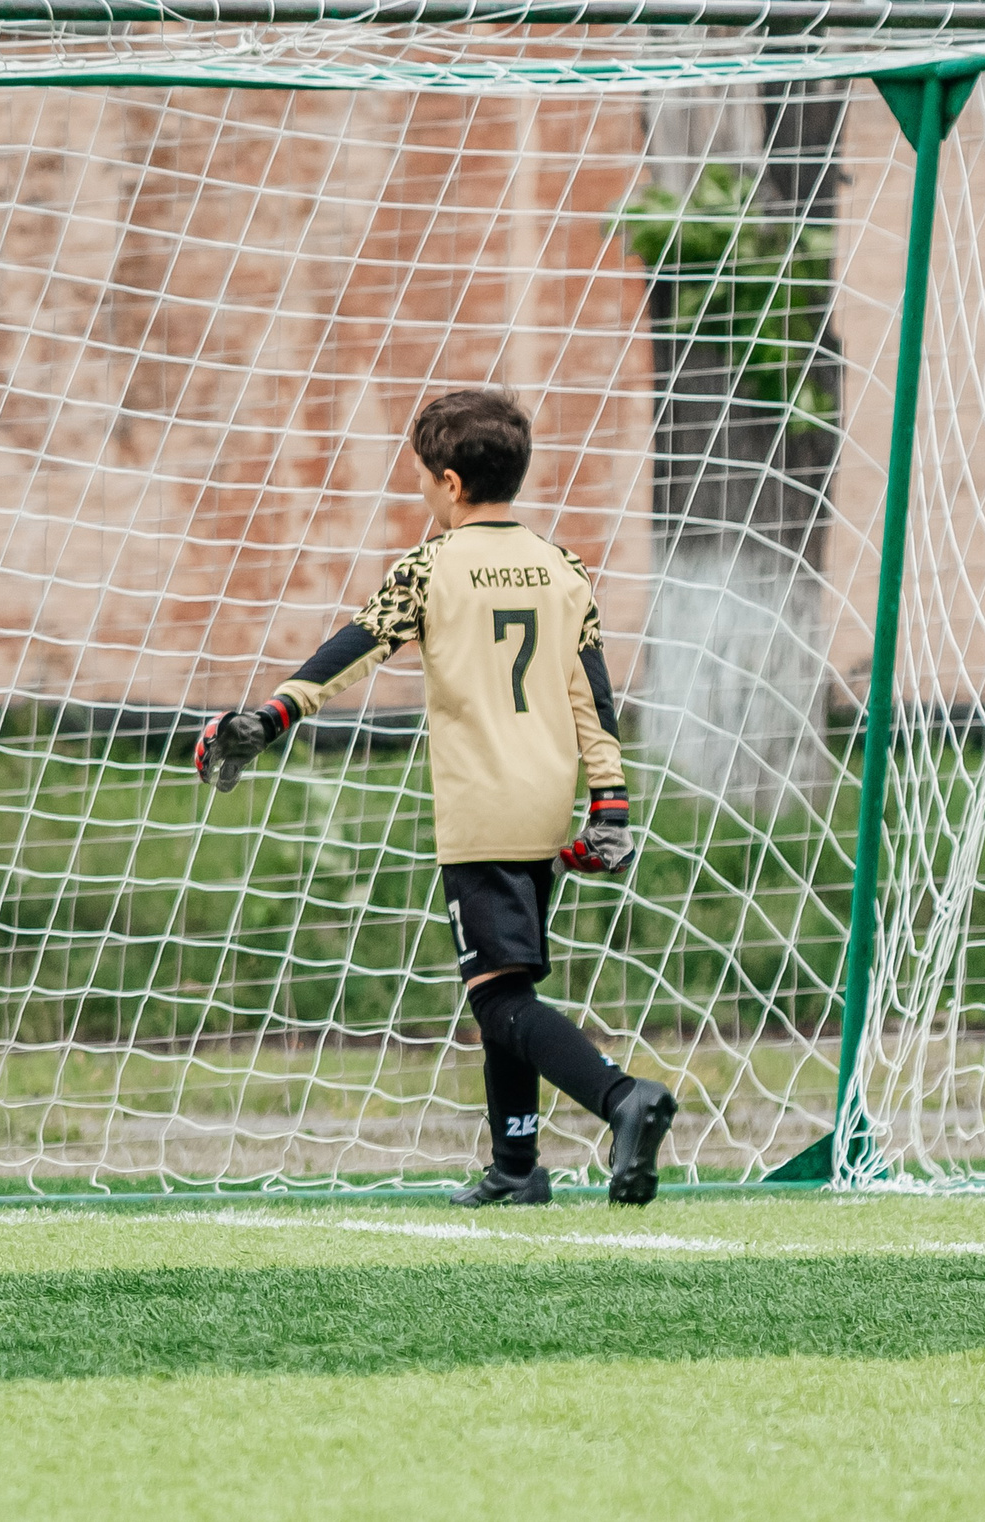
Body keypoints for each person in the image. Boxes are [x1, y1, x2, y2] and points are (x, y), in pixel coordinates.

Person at [195, 388, 676, 1206]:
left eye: (422, 477)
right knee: (508, 982)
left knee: (497, 1000)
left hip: (480, 810)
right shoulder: (565, 569)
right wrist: (611, 805)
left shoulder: (430, 566)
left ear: (450, 484)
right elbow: (593, 699)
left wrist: (272, 715)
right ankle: (516, 1170)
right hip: (545, 800)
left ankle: (620, 1097)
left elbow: (351, 651)